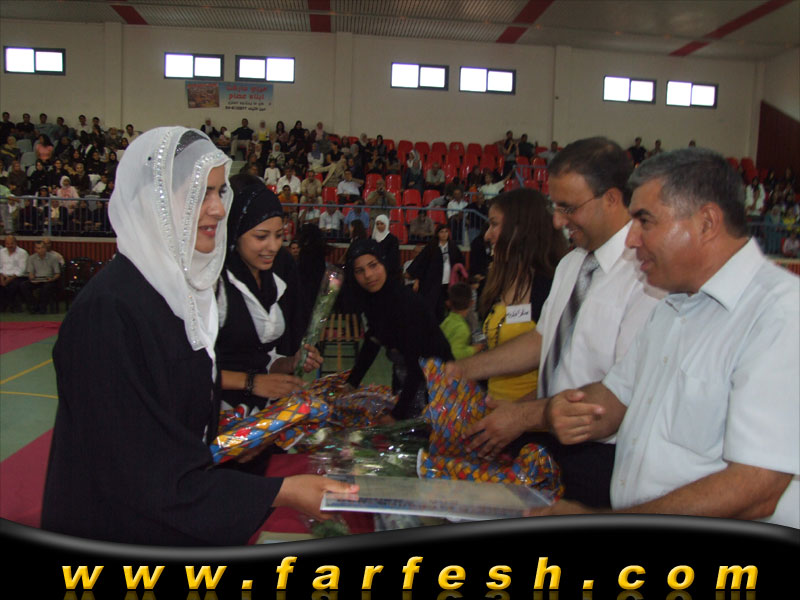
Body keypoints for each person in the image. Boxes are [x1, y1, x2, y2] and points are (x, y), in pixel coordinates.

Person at [41, 126, 356, 546]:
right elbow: (139, 473)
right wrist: (281, 492)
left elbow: (177, 416)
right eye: (199, 192)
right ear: (154, 202)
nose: (218, 209)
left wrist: (228, 442)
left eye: (220, 191)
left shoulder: (179, 294)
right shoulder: (107, 312)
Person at [535, 148, 799, 528]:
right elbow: (615, 398)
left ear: (707, 222)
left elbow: (756, 488)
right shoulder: (672, 306)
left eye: (644, 221)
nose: (631, 239)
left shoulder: (780, 316)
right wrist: (567, 409)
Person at [446, 137, 664, 508]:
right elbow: (543, 340)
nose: (558, 221)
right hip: (552, 439)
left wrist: (522, 416)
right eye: (555, 207)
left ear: (611, 199)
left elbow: (620, 392)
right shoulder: (572, 264)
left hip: (603, 454)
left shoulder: (645, 277)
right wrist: (464, 369)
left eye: (568, 208)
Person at [216, 176, 319, 415]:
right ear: (236, 233)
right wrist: (251, 382)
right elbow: (192, 371)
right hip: (221, 414)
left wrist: (291, 362)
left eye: (279, 235)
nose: (273, 246)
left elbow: (262, 359)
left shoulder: (273, 282)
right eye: (261, 236)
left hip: (259, 415)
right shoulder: (217, 286)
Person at [345, 239, 453, 420]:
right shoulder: (373, 299)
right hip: (407, 377)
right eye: (359, 271)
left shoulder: (405, 302)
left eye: (373, 265)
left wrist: (397, 415)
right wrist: (352, 383)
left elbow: (417, 367)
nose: (368, 275)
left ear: (384, 263)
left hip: (434, 386)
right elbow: (373, 340)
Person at [480, 189, 569, 402]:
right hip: (495, 414)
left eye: (494, 224)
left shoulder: (552, 287)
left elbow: (565, 372)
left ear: (521, 229)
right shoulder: (496, 282)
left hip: (535, 418)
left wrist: (517, 412)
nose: (487, 235)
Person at [407, 224, 465, 322]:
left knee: (444, 308)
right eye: (441, 232)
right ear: (437, 234)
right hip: (433, 283)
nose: (444, 234)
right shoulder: (431, 247)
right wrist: (416, 278)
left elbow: (460, 262)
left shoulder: (453, 247)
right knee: (431, 306)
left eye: (446, 232)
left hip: (447, 283)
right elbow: (422, 263)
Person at [440, 282, 483, 360]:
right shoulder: (463, 329)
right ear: (471, 303)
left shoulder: (447, 320)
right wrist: (474, 349)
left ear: (449, 303)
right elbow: (456, 353)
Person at [21, 240, 60, 313]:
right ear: (35, 249)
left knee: (46, 287)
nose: (41, 250)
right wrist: (32, 277)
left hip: (49, 280)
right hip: (37, 279)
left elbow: (57, 273)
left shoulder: (53, 258)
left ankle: (42, 307)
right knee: (24, 285)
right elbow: (30, 272)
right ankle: (34, 305)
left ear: (45, 248)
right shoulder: (31, 258)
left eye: (42, 248)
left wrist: (52, 279)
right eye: (38, 248)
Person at [0, 234, 29, 311]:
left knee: (13, 285)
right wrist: (2, 277)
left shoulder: (22, 253)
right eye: (7, 244)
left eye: (12, 243)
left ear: (16, 243)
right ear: (5, 244)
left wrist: (9, 279)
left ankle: (12, 305)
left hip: (18, 277)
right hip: (3, 275)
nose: (10, 246)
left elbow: (22, 269)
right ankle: (2, 306)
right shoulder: (1, 252)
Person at [371, 214, 401, 282]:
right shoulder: (372, 238)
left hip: (389, 272)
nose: (379, 226)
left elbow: (394, 257)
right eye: (377, 224)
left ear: (386, 224)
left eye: (381, 224)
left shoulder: (392, 239)